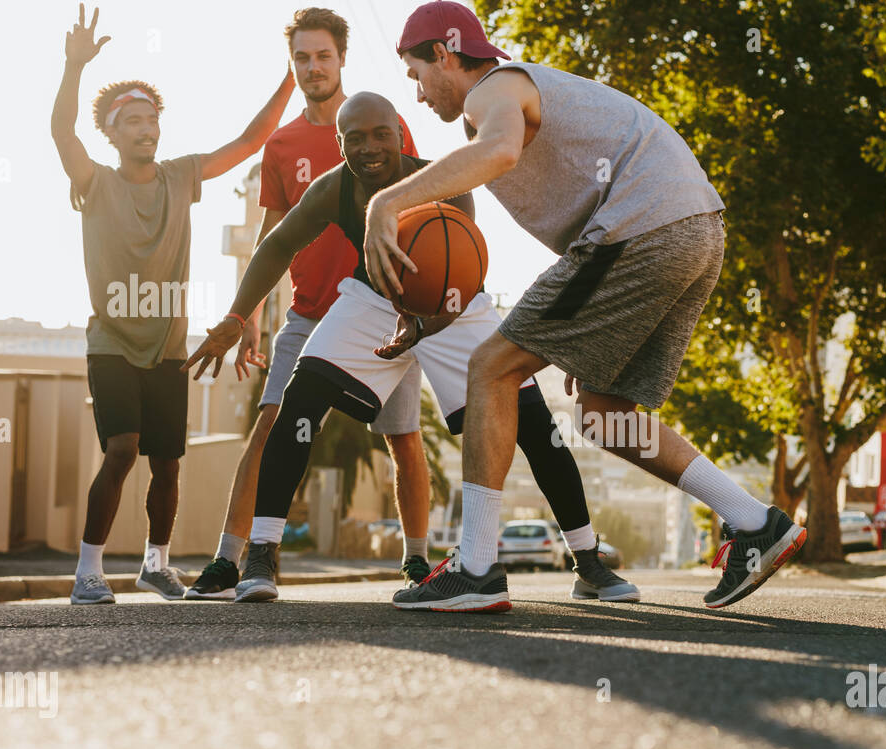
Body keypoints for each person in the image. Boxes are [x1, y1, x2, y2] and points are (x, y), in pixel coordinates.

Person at [364, 1, 806, 612]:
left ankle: (476, 567)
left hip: (639, 230)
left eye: (417, 74)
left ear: (444, 52)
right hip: (694, 232)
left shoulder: (494, 89)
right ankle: (755, 522)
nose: (417, 94)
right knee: (603, 413)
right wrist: (582, 332)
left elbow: (498, 152)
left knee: (489, 367)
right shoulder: (514, 97)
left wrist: (384, 204)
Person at [182, 92, 639, 608]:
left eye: (381, 134)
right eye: (354, 138)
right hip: (372, 297)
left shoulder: (445, 180)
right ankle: (262, 553)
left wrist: (424, 323)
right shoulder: (334, 190)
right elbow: (276, 246)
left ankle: (588, 560)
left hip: (452, 301)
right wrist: (234, 317)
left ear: (401, 135)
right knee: (300, 398)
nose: (370, 147)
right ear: (340, 145)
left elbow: (462, 272)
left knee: (533, 420)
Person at [182, 7, 434, 600]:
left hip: (383, 311)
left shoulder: (380, 125)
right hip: (307, 312)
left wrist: (418, 306)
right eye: (301, 57)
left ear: (342, 57)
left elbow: (419, 209)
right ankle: (234, 560)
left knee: (403, 438)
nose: (313, 66)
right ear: (291, 64)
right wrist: (247, 318)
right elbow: (274, 237)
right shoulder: (283, 144)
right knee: (270, 427)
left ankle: (418, 561)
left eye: (323, 55)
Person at [51, 4, 296, 604]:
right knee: (122, 450)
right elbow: (62, 132)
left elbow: (250, 141)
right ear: (112, 131)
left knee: (167, 463)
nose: (146, 128)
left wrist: (292, 75)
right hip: (112, 343)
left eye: (152, 118)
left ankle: (155, 565)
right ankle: (89, 569)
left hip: (166, 349)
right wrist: (73, 67)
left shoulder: (181, 176)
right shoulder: (95, 183)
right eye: (133, 120)